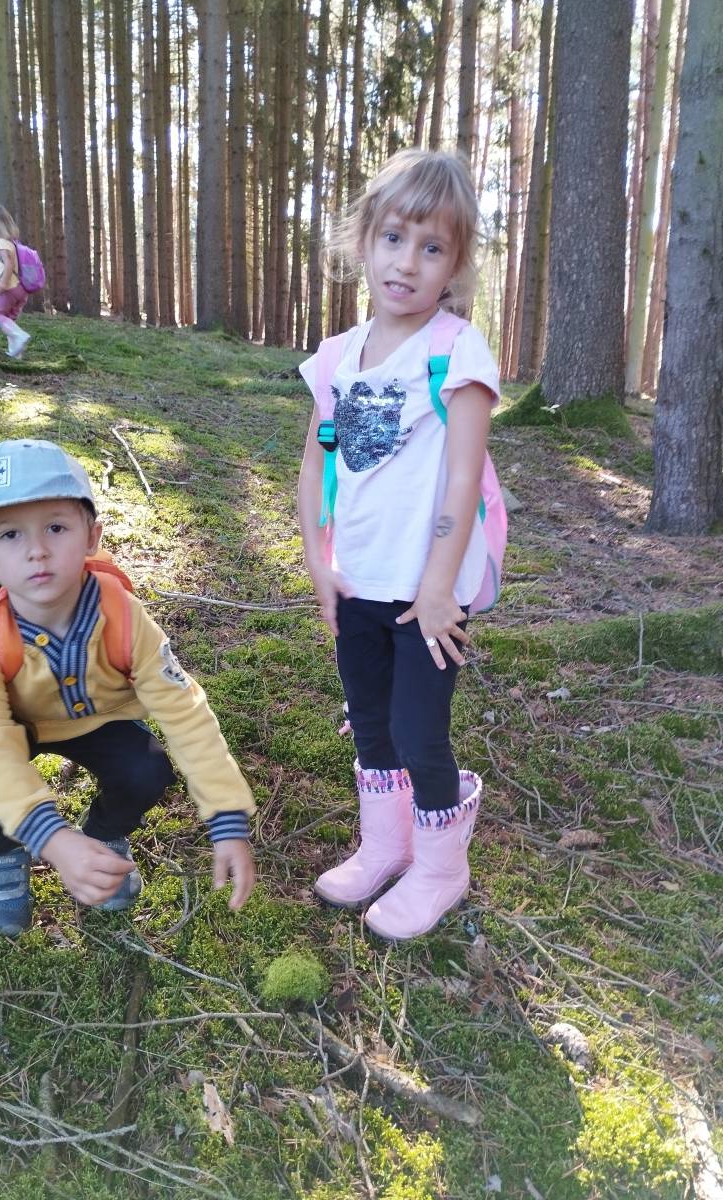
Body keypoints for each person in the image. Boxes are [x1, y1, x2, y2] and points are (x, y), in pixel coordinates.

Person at [0, 439, 256, 936]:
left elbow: (182, 709)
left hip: (100, 720)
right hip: (13, 726)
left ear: (91, 536)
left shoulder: (122, 613)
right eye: (10, 534)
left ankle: (104, 835)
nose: (37, 550)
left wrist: (227, 816)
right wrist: (51, 838)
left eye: (56, 528)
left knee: (146, 770)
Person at [297, 149, 499, 942]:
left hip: (428, 590)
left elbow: (463, 476)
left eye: (431, 247)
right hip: (359, 581)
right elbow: (315, 464)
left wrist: (441, 586)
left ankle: (442, 868)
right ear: (364, 241)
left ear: (455, 265)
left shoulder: (455, 350)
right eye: (393, 238)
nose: (407, 263)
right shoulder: (337, 357)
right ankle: (386, 846)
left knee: (419, 732)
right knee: (371, 722)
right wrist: (319, 561)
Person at [0, 204, 31, 358]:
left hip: (8, 288)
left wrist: (2, 285)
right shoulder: (12, 243)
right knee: (8, 320)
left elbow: (8, 264)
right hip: (20, 289)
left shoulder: (1, 243)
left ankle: (20, 336)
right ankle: (15, 353)